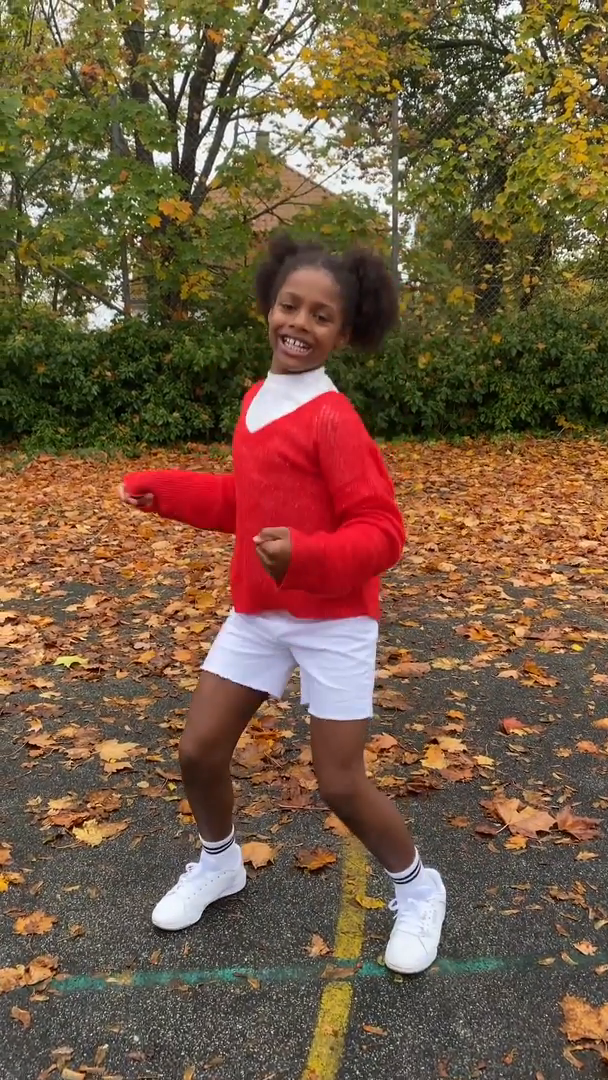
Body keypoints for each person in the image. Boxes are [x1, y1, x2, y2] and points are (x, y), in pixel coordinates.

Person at [119, 232, 446, 974]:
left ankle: (419, 889)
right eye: (289, 306)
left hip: (334, 620)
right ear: (268, 305)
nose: (299, 323)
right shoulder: (256, 401)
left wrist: (307, 555)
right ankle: (219, 863)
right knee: (199, 750)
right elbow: (246, 502)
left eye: (321, 316)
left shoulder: (334, 418)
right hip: (260, 614)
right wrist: (167, 491)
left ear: (346, 333)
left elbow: (384, 532)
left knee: (340, 782)